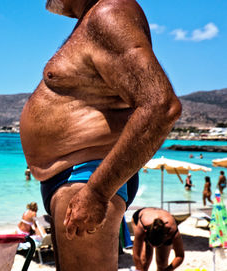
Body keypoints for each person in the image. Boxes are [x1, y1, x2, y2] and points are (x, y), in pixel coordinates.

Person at [19, 0, 182, 270]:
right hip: (77, 177)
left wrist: (96, 192)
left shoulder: (109, 13)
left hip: (88, 175)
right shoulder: (94, 20)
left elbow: (161, 106)